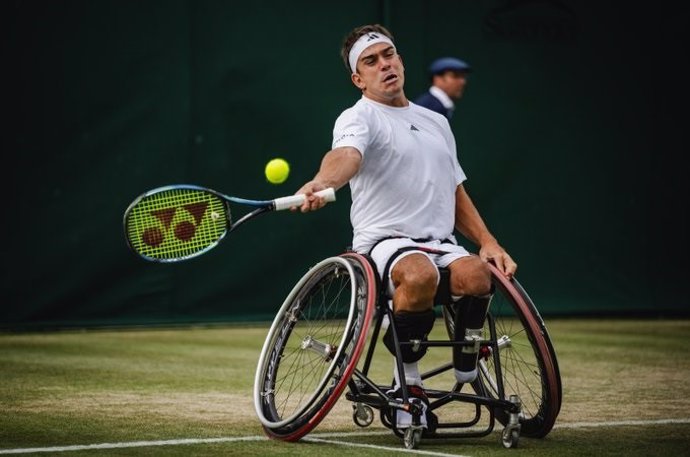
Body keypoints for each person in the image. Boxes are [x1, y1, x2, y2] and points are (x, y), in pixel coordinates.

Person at [294, 24, 516, 429]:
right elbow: (346, 157)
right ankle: (406, 386)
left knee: (478, 274)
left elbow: (455, 191)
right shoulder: (357, 117)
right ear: (358, 78)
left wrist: (487, 241)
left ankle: (467, 360)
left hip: (440, 243)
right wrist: (323, 182)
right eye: (371, 61)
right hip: (384, 244)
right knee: (419, 273)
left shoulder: (436, 122)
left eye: (389, 55)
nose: (385, 65)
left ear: (401, 60)